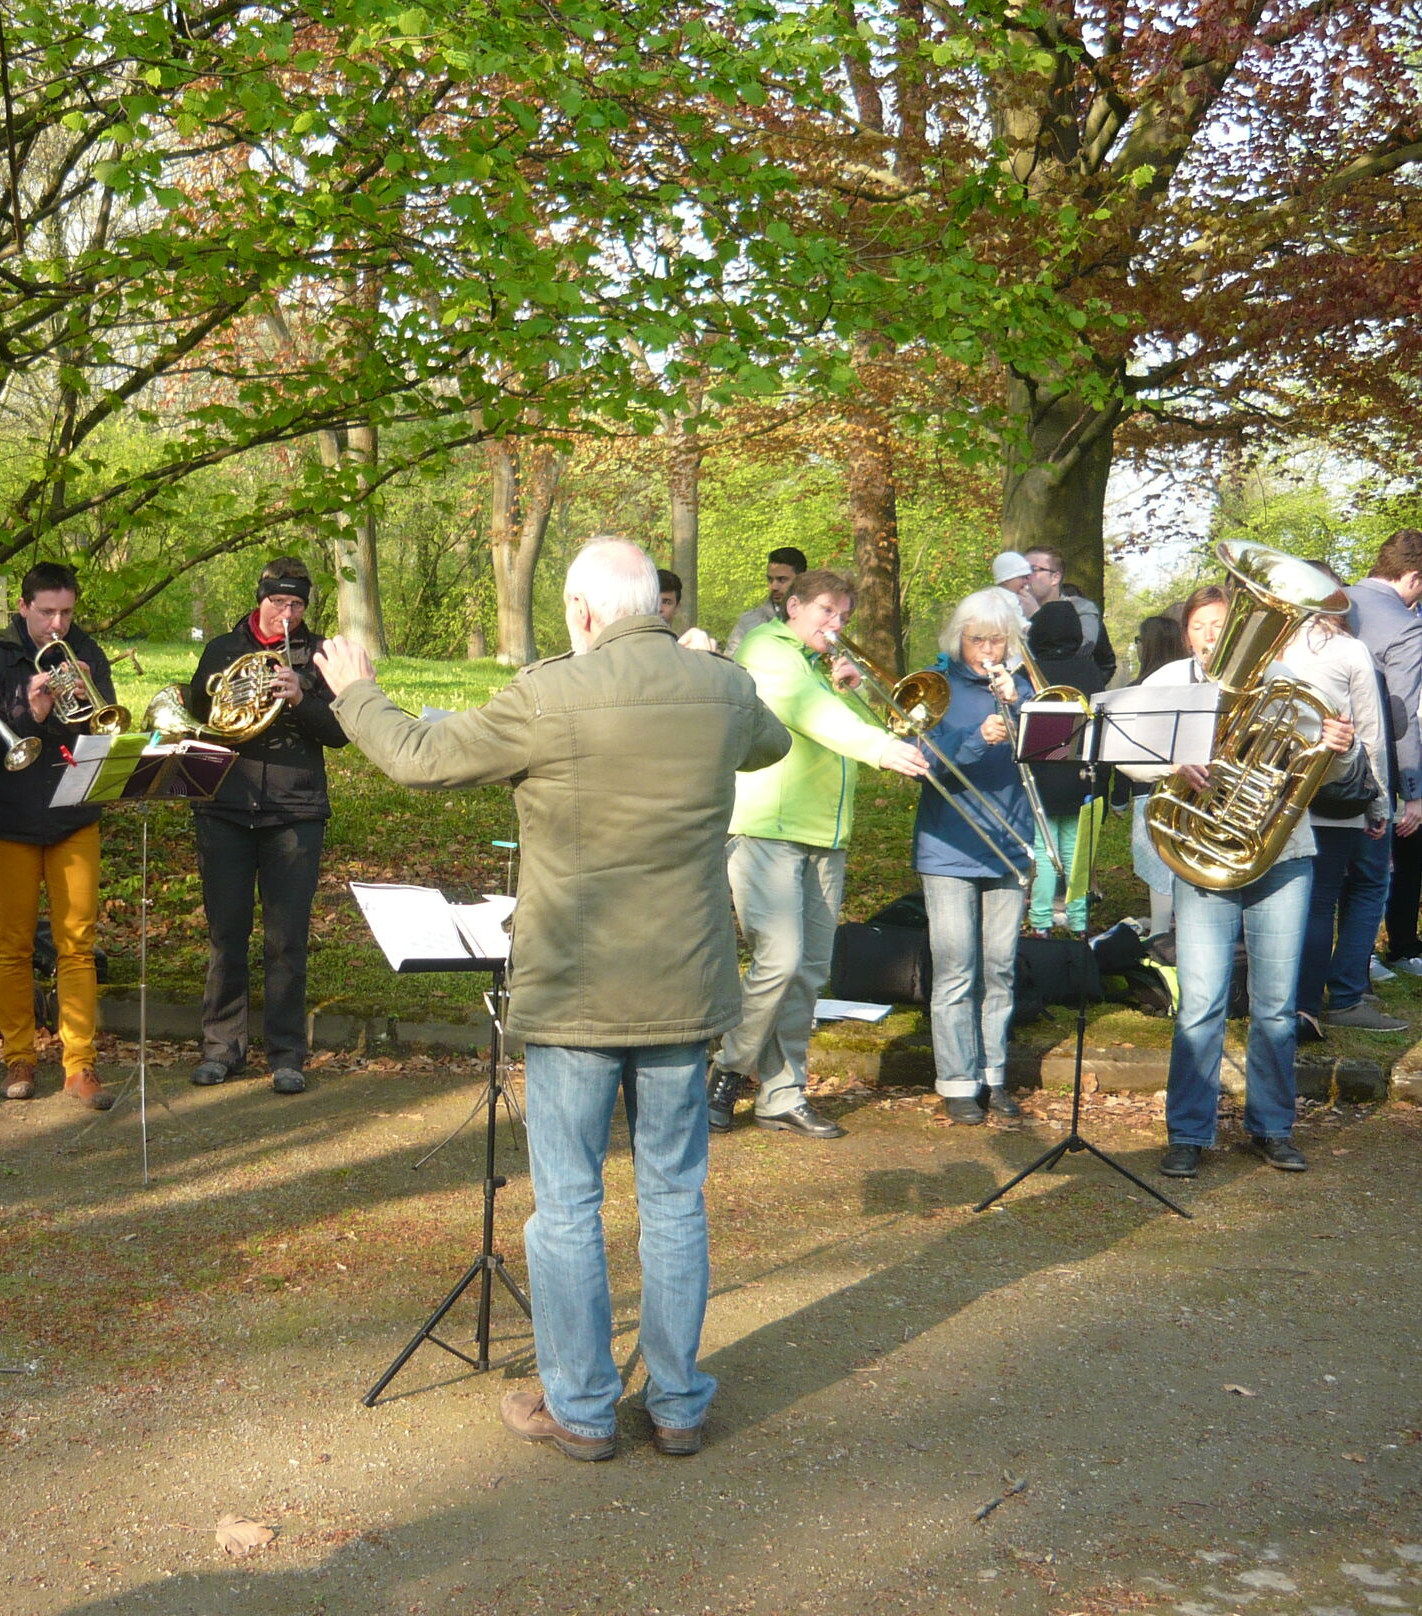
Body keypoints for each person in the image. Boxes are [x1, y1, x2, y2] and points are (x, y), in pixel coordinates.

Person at [315, 538, 790, 1461]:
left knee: (568, 1199)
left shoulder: (549, 693)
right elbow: (768, 741)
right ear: (655, 603)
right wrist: (705, 666)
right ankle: (679, 1401)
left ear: (579, 610)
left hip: (577, 988)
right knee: (675, 1193)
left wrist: (355, 691)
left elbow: (417, 757)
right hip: (685, 986)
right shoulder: (722, 688)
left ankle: (580, 1405)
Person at [1121, 583, 1356, 1177]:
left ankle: (1273, 1128)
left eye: (1222, 625)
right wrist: (1170, 762)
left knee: (1276, 1008)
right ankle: (1188, 1133)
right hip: (1204, 855)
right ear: (1187, 630)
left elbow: (1337, 763)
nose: (1210, 636)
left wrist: (1340, 747)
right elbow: (1127, 749)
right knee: (1200, 1004)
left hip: (1281, 854)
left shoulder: (1287, 676)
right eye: (1200, 626)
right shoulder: (1169, 681)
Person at [710, 569, 930, 1138]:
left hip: (826, 835)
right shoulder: (767, 650)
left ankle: (782, 1095)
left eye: (844, 616)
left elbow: (842, 723)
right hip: (767, 828)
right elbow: (808, 714)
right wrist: (881, 747)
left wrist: (849, 692)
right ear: (793, 606)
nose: (837, 624)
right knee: (778, 959)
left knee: (808, 972)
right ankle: (727, 1071)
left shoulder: (819, 669)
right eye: (827, 612)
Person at [186, 557, 348, 1096]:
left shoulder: (323, 656)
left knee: (286, 940)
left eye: (297, 604)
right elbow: (199, 714)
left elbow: (341, 733)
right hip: (224, 806)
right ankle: (221, 1048)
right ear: (261, 599)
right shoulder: (222, 650)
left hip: (294, 811)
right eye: (279, 602)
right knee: (226, 935)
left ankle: (286, 1053)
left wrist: (301, 698)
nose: (287, 613)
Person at [0, 561, 115, 1109]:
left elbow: (103, 723)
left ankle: (79, 1065)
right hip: (10, 820)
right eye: (47, 612)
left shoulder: (87, 653)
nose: (58, 624)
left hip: (74, 812)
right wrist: (28, 713)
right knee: (15, 945)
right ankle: (20, 1057)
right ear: (23, 607)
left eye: (67, 612)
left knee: (77, 944)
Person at [916, 588, 1039, 1127]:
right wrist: (975, 737)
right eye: (977, 639)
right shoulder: (934, 685)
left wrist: (1019, 705)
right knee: (956, 968)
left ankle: (995, 1075)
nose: (987, 649)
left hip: (1010, 841)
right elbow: (922, 759)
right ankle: (958, 1082)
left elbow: (1056, 750)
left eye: (998, 639)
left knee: (1000, 966)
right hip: (949, 845)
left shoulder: (1025, 686)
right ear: (958, 638)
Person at [1280, 560, 1401, 1033]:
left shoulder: (1274, 648)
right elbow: (1370, 733)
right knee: (1352, 891)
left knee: (1307, 902)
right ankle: (1343, 997)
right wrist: (1380, 806)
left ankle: (1300, 1003)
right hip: (1337, 796)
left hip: (1282, 795)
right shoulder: (1349, 650)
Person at [1340, 530, 1422, 976]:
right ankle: (1357, 968)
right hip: (1370, 766)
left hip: (1315, 754)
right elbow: (1402, 715)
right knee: (1372, 875)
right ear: (1412, 576)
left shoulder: (1333, 600)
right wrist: (1413, 793)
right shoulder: (1407, 624)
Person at [1025, 600, 1108, 935]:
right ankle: (1078, 921)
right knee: (1077, 852)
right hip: (1078, 775)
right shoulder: (1089, 671)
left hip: (1039, 776)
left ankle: (1041, 922)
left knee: (1044, 853)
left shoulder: (1028, 672)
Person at [1127, 613, 1191, 934]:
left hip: (1153, 793)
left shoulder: (1137, 690)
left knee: (1160, 866)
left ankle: (1161, 936)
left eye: (1140, 642)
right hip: (1183, 791)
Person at [1021, 546, 1117, 680]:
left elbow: (1083, 654)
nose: (1025, 577)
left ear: (1055, 578)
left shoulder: (1082, 611)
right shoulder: (1009, 613)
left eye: (1033, 570)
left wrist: (1038, 618)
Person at [723, 547, 806, 657]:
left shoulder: (820, 620)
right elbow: (730, 666)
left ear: (801, 579)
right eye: (770, 580)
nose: (774, 586)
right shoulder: (748, 623)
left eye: (782, 580)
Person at [657, 568, 717, 652]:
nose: (659, 608)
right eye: (654, 601)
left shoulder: (688, 649)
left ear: (677, 607)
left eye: (666, 602)